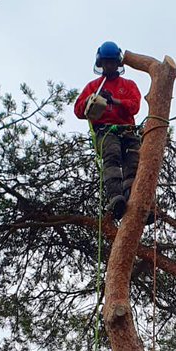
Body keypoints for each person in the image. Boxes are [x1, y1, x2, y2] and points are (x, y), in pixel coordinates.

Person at [74, 41, 142, 221]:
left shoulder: (128, 85)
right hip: (105, 131)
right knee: (111, 155)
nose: (109, 66)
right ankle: (115, 197)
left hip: (126, 130)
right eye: (106, 62)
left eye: (112, 62)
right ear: (101, 63)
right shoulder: (93, 86)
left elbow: (135, 106)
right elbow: (78, 110)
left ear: (117, 63)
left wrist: (115, 101)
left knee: (133, 163)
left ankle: (134, 197)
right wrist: (92, 99)